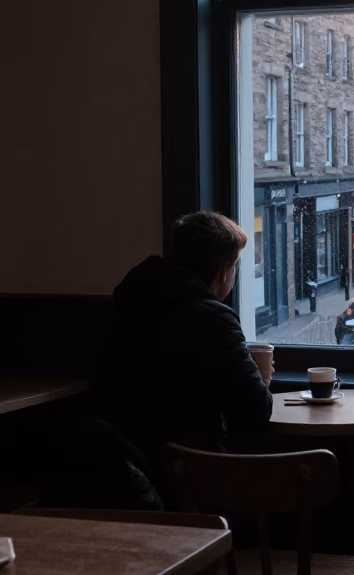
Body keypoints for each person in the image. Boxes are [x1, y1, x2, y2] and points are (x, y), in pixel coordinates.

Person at [94, 211, 274, 497]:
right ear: (224, 272)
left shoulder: (127, 302)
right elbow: (254, 412)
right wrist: (262, 377)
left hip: (121, 472)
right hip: (191, 477)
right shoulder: (215, 319)